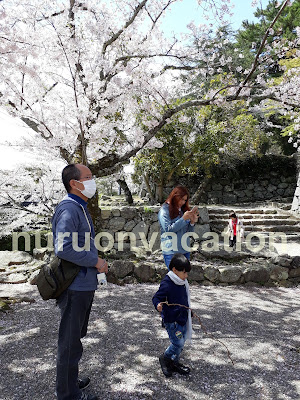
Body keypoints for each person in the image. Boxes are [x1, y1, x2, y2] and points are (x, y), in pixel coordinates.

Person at [52, 164, 108, 400]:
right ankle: (68, 394)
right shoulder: (70, 209)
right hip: (75, 287)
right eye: (88, 177)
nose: (93, 181)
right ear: (74, 183)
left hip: (82, 284)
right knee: (70, 342)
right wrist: (95, 261)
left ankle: (70, 381)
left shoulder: (79, 207)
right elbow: (63, 248)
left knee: (75, 338)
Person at [152, 253, 193, 378]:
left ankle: (174, 362)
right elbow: (157, 297)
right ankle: (165, 358)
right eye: (184, 273)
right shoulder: (168, 283)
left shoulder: (182, 281)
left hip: (182, 318)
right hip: (172, 320)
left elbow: (184, 298)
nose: (186, 276)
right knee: (178, 343)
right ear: (174, 270)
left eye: (187, 273)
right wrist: (158, 304)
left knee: (182, 340)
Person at [158, 186, 199, 269]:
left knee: (183, 278)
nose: (183, 202)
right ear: (175, 196)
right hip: (171, 251)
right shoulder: (164, 210)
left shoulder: (184, 210)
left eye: (185, 200)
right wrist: (183, 219)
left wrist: (192, 222)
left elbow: (189, 233)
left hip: (185, 250)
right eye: (182, 199)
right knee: (174, 278)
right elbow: (169, 229)